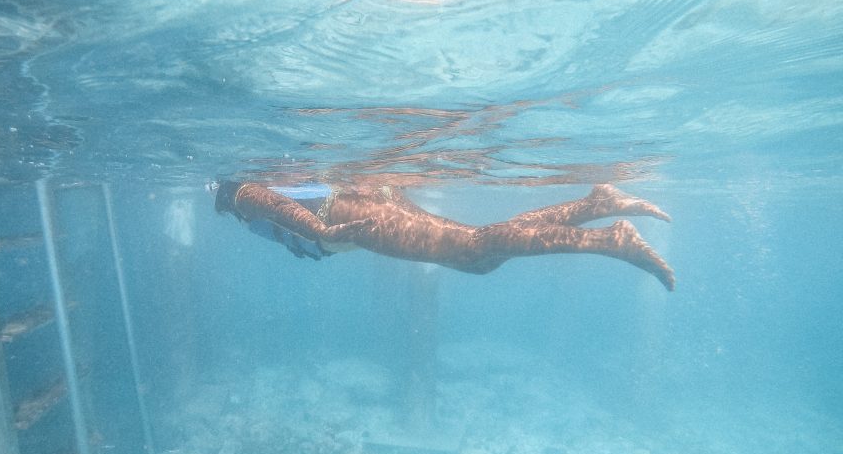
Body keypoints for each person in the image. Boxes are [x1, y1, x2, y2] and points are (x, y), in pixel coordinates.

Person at [212, 180, 675, 290]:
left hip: (349, 213)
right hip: (354, 216)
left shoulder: (234, 192)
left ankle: (610, 239)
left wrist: (322, 229)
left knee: (475, 249)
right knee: (475, 257)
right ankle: (597, 205)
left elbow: (259, 199)